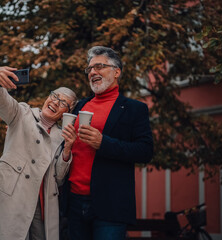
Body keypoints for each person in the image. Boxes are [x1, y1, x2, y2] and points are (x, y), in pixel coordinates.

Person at [0, 66, 78, 240]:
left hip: (41, 205)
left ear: (67, 113)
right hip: (11, 196)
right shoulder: (21, 113)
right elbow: (1, 101)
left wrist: (68, 148)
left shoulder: (62, 137)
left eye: (63, 103)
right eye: (54, 96)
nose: (56, 102)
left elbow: (58, 179)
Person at [61, 46, 154, 240]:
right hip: (74, 203)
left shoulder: (134, 109)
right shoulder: (79, 106)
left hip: (111, 205)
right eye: (89, 69)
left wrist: (103, 143)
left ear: (117, 71)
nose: (93, 72)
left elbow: (145, 151)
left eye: (99, 66)